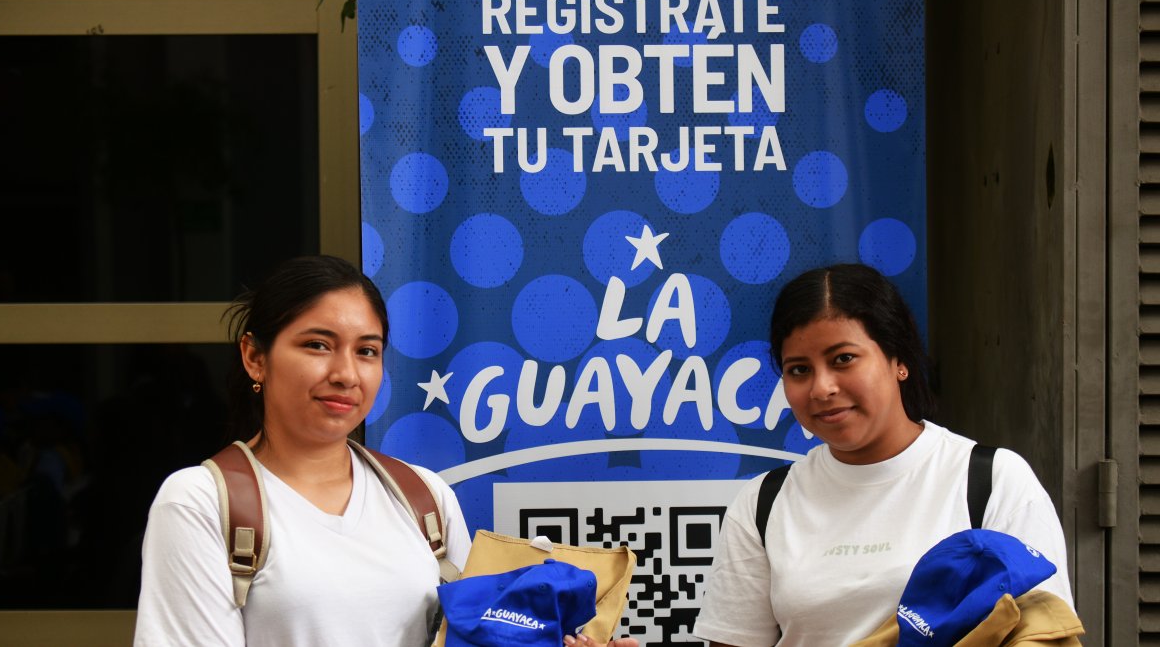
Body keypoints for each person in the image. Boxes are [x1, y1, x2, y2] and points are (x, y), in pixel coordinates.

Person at [134, 255, 637, 647]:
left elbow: (474, 638)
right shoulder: (202, 502)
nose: (346, 374)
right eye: (317, 344)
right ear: (254, 357)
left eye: (367, 351)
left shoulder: (424, 499)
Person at [692, 263, 1073, 646]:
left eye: (843, 359)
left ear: (899, 360)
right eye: (799, 369)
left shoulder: (991, 480)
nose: (821, 388)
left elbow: (1047, 633)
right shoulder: (764, 503)